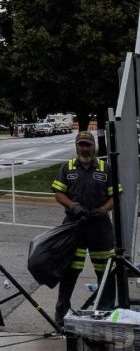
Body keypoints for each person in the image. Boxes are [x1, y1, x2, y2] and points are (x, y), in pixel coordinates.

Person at [51, 131, 118, 325]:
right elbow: (58, 193)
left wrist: (104, 210)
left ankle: (106, 311)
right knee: (70, 270)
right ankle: (62, 310)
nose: (85, 149)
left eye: (88, 145)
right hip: (75, 227)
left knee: (105, 271)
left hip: (100, 228)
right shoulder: (67, 167)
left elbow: (116, 195)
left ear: (94, 147)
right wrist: (72, 206)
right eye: (81, 145)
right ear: (76, 146)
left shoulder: (106, 168)